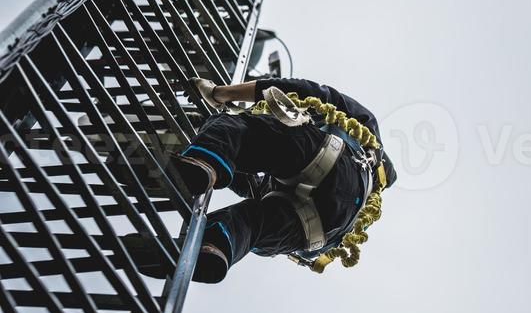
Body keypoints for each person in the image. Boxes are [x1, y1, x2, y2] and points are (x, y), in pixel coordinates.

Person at [125, 76, 396, 283]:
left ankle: (203, 161)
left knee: (235, 128)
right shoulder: (368, 190)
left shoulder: (365, 128)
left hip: (335, 159)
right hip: (320, 231)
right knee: (251, 222)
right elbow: (255, 185)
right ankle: (214, 247)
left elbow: (303, 91)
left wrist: (220, 93)